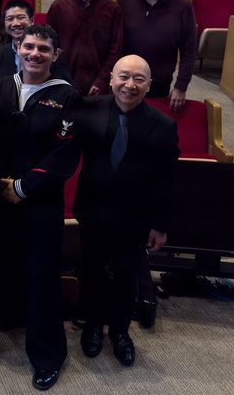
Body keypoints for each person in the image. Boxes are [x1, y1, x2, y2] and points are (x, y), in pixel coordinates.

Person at [0, 24, 81, 392]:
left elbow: (64, 155)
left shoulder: (68, 97)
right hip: (4, 194)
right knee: (9, 258)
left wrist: (23, 187)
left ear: (55, 55)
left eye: (44, 49)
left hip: (40, 199)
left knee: (43, 274)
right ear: (17, 48)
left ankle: (48, 354)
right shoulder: (0, 88)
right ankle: (12, 314)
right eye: (28, 46)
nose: (34, 54)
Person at [74, 55, 179, 368]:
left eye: (138, 79)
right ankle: (93, 325)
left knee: (124, 275)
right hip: (91, 211)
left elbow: (166, 180)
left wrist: (159, 224)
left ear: (148, 85)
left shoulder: (163, 125)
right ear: (111, 80)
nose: (129, 85)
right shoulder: (88, 109)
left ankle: (119, 331)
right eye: (123, 77)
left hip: (134, 216)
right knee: (91, 271)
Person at [116, 0, 197, 112]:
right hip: (125, 80)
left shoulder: (183, 6)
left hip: (159, 82)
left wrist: (181, 86)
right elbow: (113, 40)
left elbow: (189, 50)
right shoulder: (125, 0)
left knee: (149, 129)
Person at [45, 0, 122, 97]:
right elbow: (48, 44)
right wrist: (56, 78)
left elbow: (115, 49)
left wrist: (102, 80)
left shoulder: (112, 9)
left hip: (97, 85)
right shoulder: (59, 7)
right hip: (62, 81)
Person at [0, 0, 72, 84]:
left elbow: (65, 89)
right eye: (10, 19)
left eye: (20, 18)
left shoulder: (53, 55)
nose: (15, 23)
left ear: (32, 21)